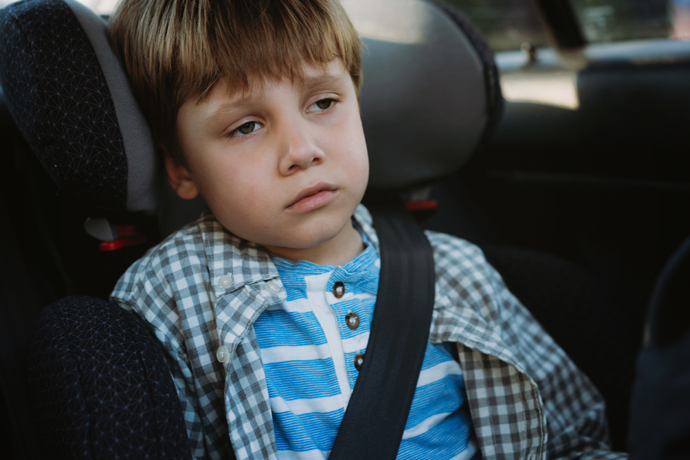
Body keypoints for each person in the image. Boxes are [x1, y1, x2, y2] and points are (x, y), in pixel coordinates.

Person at [108, 1, 627, 459]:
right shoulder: (171, 297)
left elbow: (572, 440)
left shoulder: (456, 271)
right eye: (245, 126)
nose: (302, 150)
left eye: (323, 103)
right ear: (181, 167)